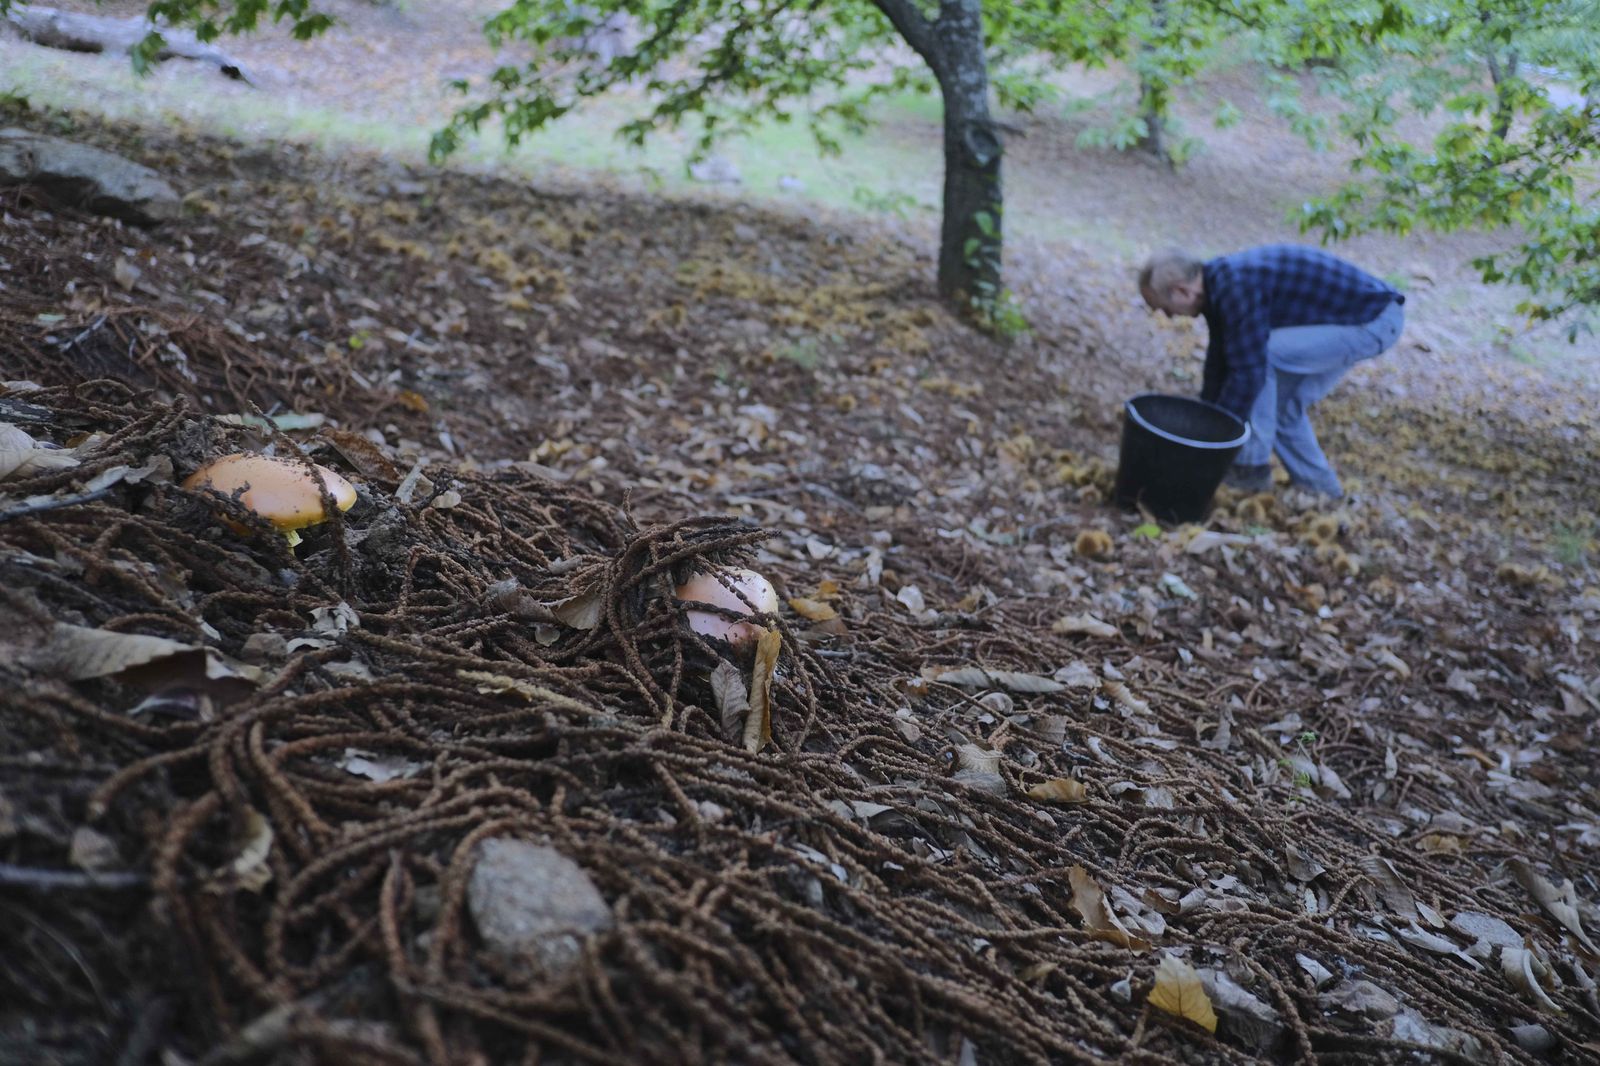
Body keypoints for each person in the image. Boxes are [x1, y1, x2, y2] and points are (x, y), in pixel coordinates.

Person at [1138, 244, 1405, 500]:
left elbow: (1248, 371)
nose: (1170, 317)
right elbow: (1219, 363)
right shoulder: (1219, 288)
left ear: (1182, 291)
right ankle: (1323, 490)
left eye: (1164, 309)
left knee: (1262, 357)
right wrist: (1203, 425)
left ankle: (1249, 468)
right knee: (1282, 408)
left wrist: (1218, 439)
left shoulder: (1235, 286)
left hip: (1374, 319)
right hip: (1362, 318)